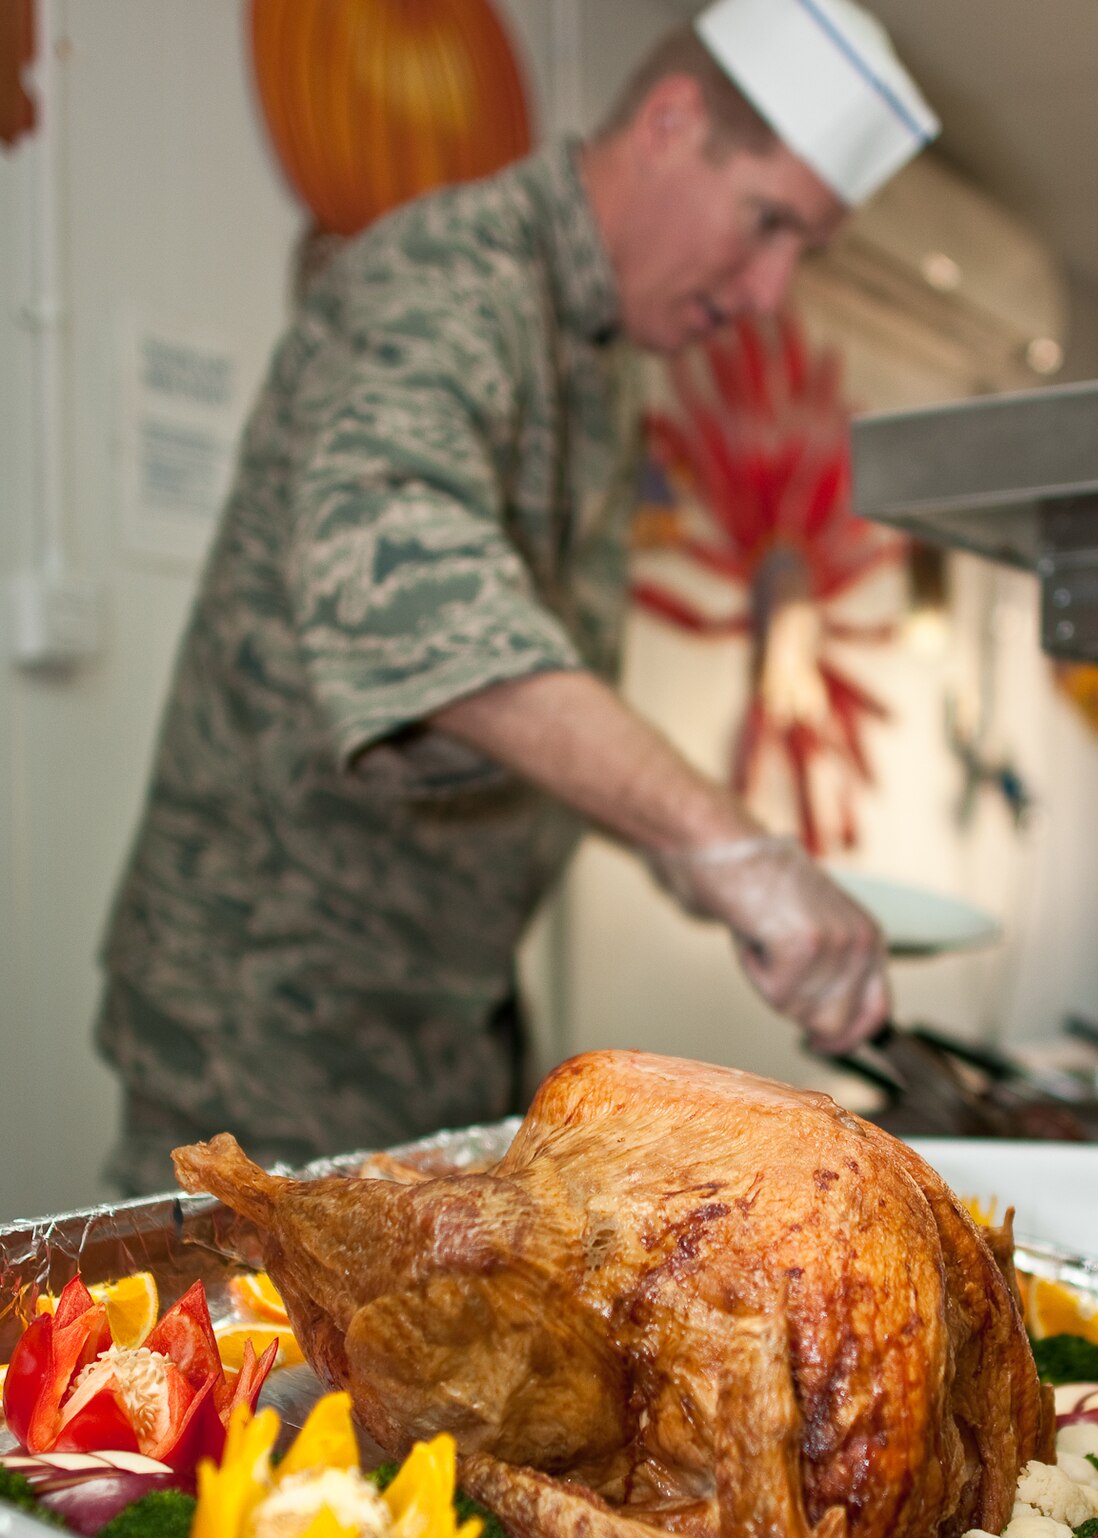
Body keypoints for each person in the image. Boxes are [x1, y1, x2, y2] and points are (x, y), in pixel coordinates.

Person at [96, 0, 939, 1194]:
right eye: (768, 223)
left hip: (446, 1019)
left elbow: (534, 673)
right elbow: (410, 582)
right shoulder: (447, 275)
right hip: (269, 1025)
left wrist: (694, 853)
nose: (770, 290)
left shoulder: (603, 357)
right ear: (669, 122)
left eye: (804, 251)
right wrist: (719, 840)